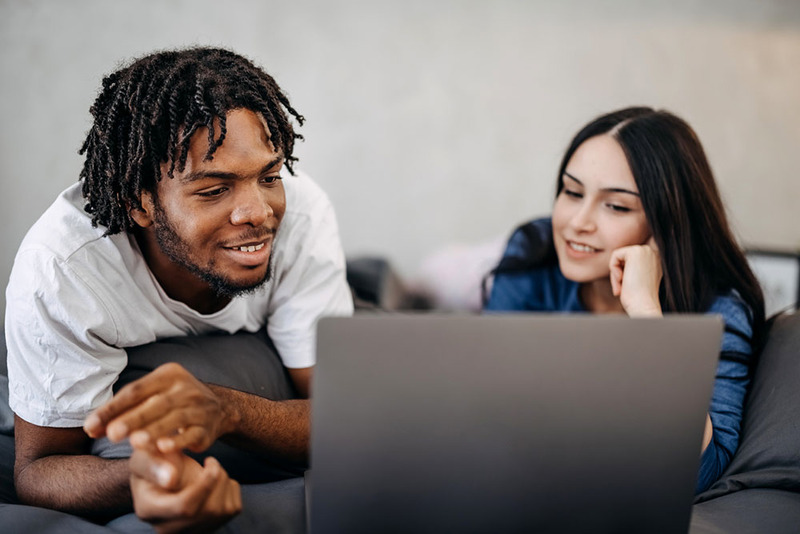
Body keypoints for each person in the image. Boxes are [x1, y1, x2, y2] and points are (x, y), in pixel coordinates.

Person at [4, 47, 353, 530]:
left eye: (269, 176)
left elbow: (344, 416)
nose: (258, 212)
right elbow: (38, 470)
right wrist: (141, 476)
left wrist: (227, 408)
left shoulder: (305, 215)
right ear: (139, 203)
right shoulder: (64, 267)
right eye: (213, 190)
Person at [484, 106, 765, 494]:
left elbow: (703, 469)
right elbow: (484, 408)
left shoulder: (719, 307)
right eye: (572, 191)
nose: (577, 222)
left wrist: (647, 313)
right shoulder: (533, 252)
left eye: (616, 206)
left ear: (666, 225)